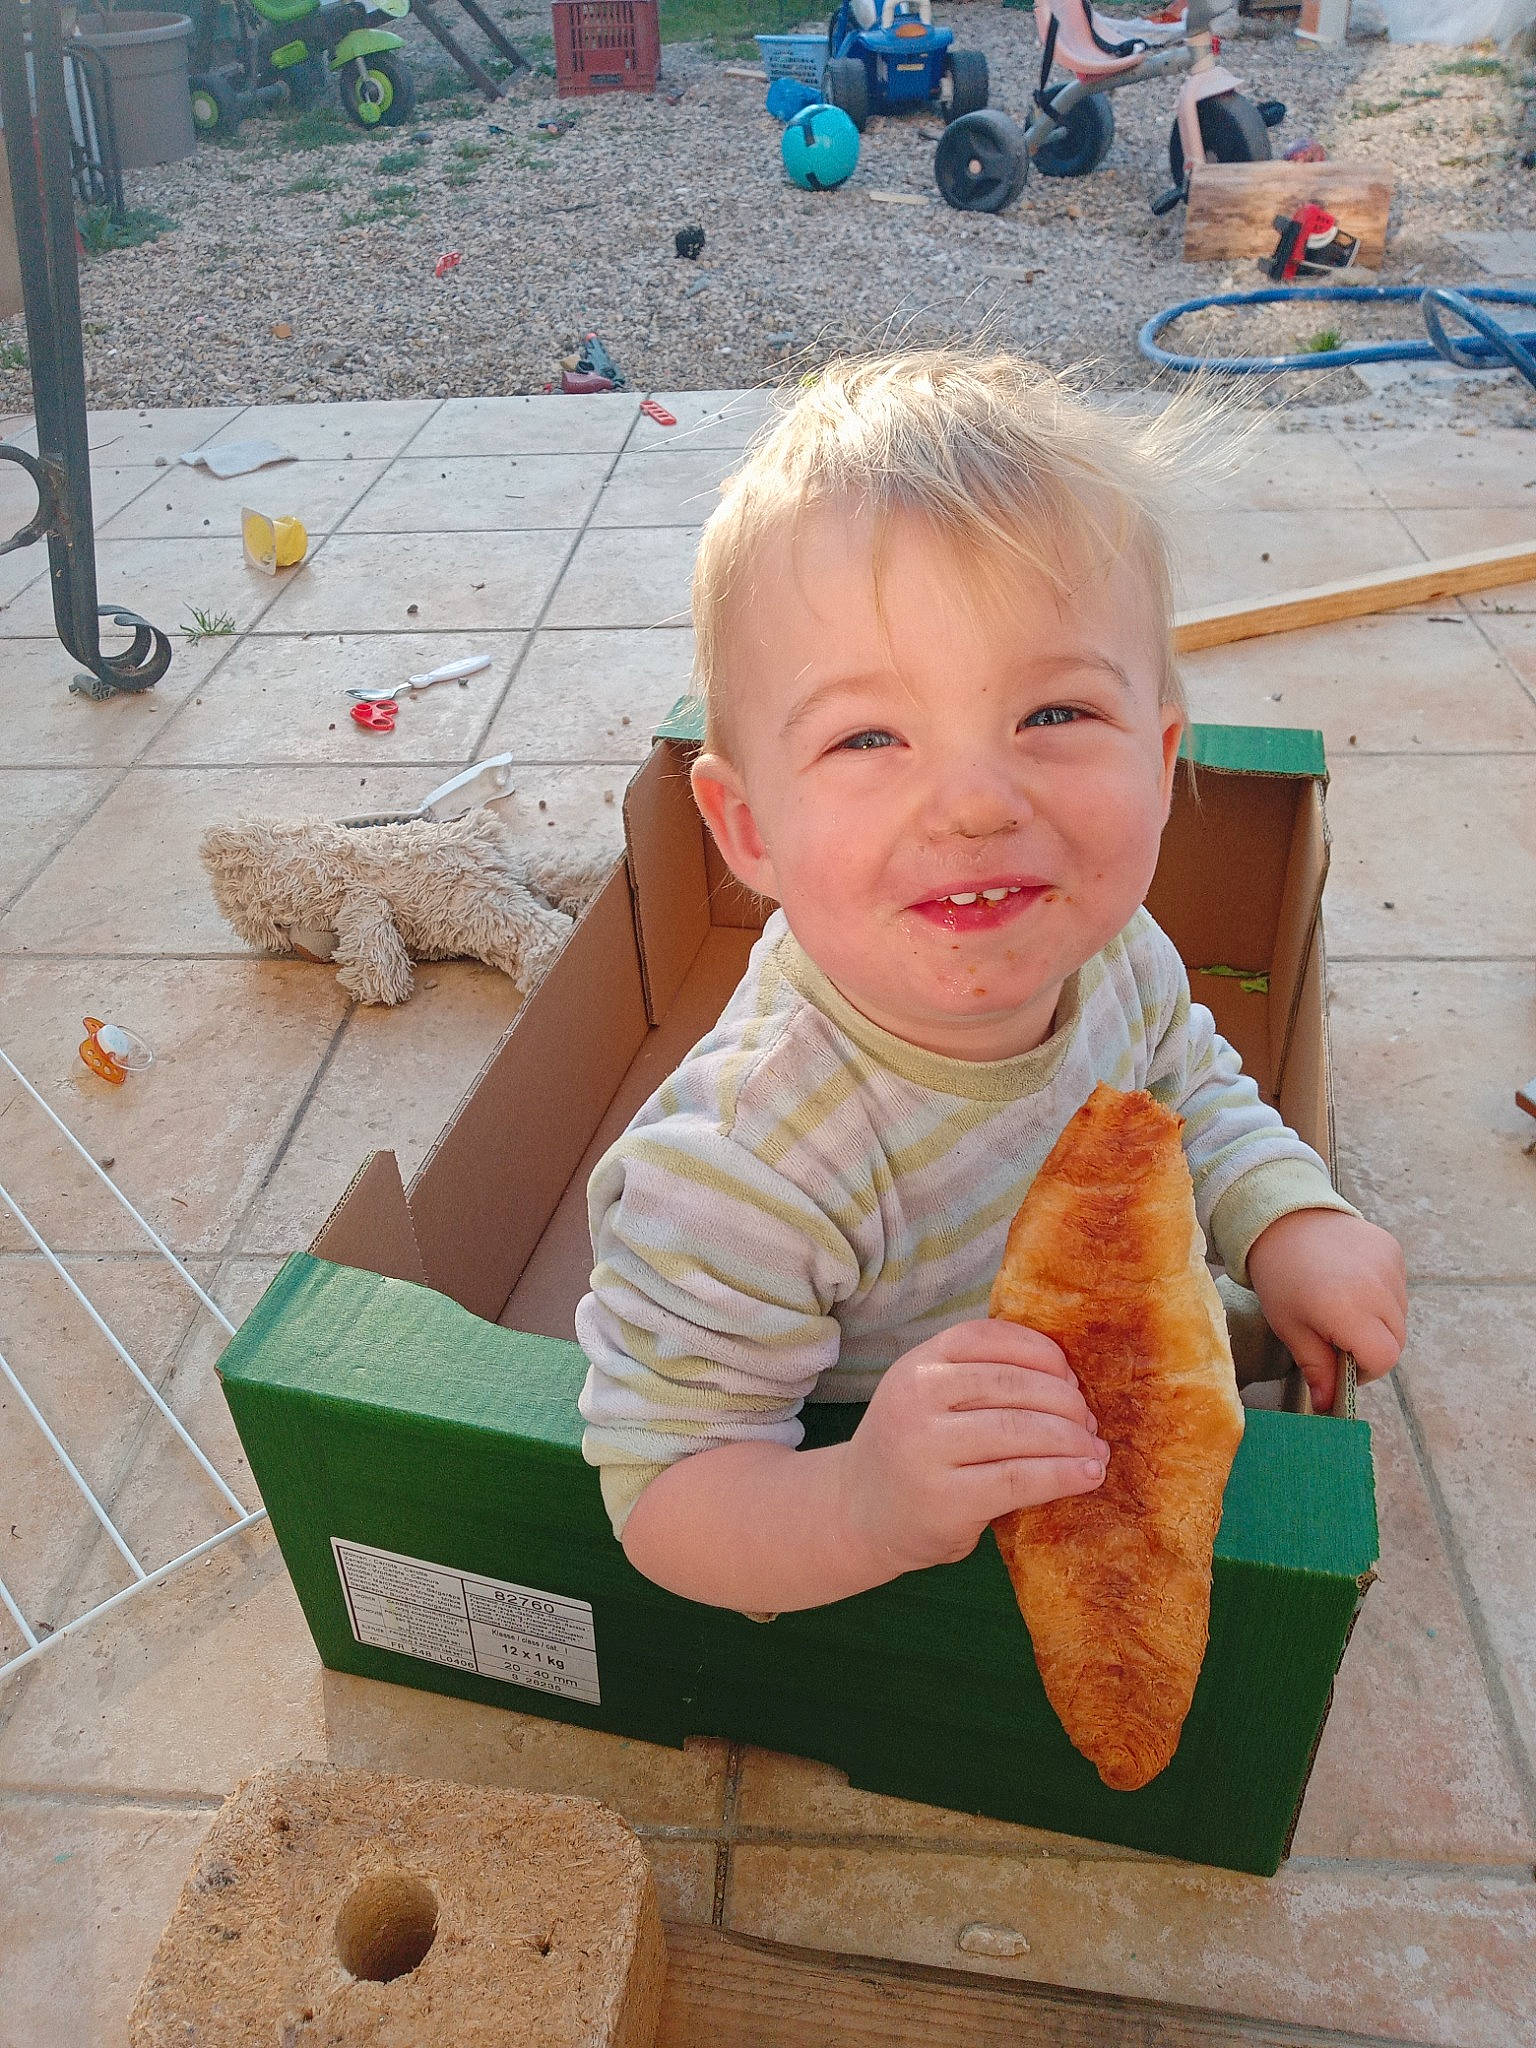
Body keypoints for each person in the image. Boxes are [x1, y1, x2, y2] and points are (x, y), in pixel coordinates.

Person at [575, 349, 1406, 1617]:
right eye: (869, 737)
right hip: (890, 1478)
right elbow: (669, 1498)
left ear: (1163, 754)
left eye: (1055, 714)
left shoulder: (1111, 947)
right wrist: (866, 1503)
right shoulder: (742, 1171)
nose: (973, 802)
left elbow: (1191, 1087)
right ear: (747, 830)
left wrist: (1285, 1215)